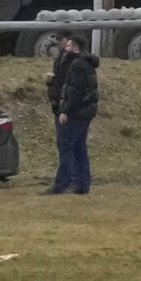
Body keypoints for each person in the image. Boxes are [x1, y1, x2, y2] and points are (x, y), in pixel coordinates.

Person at [45, 30, 100, 195]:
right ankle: (82, 183)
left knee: (67, 146)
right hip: (84, 111)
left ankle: (63, 183)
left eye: (67, 43)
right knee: (79, 147)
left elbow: (74, 90)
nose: (64, 46)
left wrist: (64, 110)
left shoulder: (76, 64)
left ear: (74, 46)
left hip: (74, 111)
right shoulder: (85, 63)